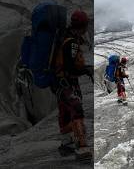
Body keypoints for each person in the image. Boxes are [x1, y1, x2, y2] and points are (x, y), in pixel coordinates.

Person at [51, 10, 92, 160]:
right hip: (68, 82)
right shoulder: (72, 42)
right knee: (76, 109)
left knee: (65, 111)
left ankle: (66, 144)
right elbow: (70, 67)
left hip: (59, 83)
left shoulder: (64, 36)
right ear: (83, 26)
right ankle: (82, 147)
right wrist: (86, 70)